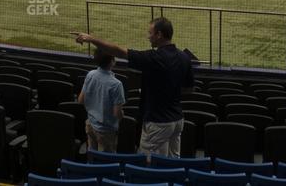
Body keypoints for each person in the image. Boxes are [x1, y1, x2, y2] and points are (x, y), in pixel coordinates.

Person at [72, 17, 194, 158]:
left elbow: (119, 51)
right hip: (178, 121)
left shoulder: (152, 58)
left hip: (157, 122)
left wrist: (91, 39)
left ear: (159, 34)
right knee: (173, 161)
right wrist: (168, 90)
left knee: (149, 162)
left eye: (150, 33)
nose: (148, 37)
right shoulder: (184, 57)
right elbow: (188, 89)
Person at [78, 47, 125, 156]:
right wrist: (122, 115)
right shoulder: (116, 84)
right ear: (112, 61)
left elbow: (80, 100)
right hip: (106, 131)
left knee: (92, 156)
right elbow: (117, 113)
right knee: (106, 162)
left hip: (90, 125)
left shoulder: (90, 75)